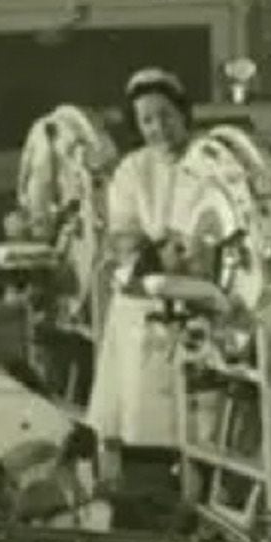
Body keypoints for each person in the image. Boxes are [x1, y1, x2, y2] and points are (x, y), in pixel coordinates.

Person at [85, 67, 194, 485]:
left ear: (183, 114)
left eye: (165, 115)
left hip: (198, 286)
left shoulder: (207, 160)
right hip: (146, 293)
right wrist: (158, 254)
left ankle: (195, 474)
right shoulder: (133, 169)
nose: (158, 128)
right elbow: (124, 238)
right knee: (133, 410)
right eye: (147, 120)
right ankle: (136, 480)